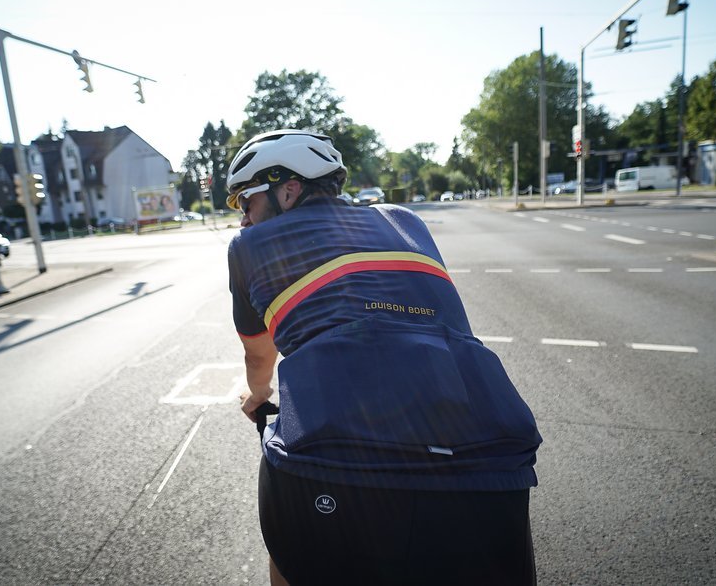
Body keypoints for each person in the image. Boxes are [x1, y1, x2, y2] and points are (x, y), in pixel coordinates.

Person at [226, 130, 542, 585]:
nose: (243, 221)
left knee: (291, 557)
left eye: (247, 202)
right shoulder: (403, 221)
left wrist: (257, 396)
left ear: (287, 190)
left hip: (332, 463)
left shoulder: (249, 247)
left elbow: (259, 357)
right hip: (490, 457)